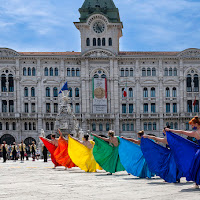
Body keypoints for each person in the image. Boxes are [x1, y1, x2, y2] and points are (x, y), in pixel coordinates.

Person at [165, 116, 200, 189]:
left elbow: (182, 132)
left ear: (196, 124)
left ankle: (197, 183)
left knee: (196, 167)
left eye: (192, 125)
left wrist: (170, 130)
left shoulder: (196, 133)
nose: (192, 126)